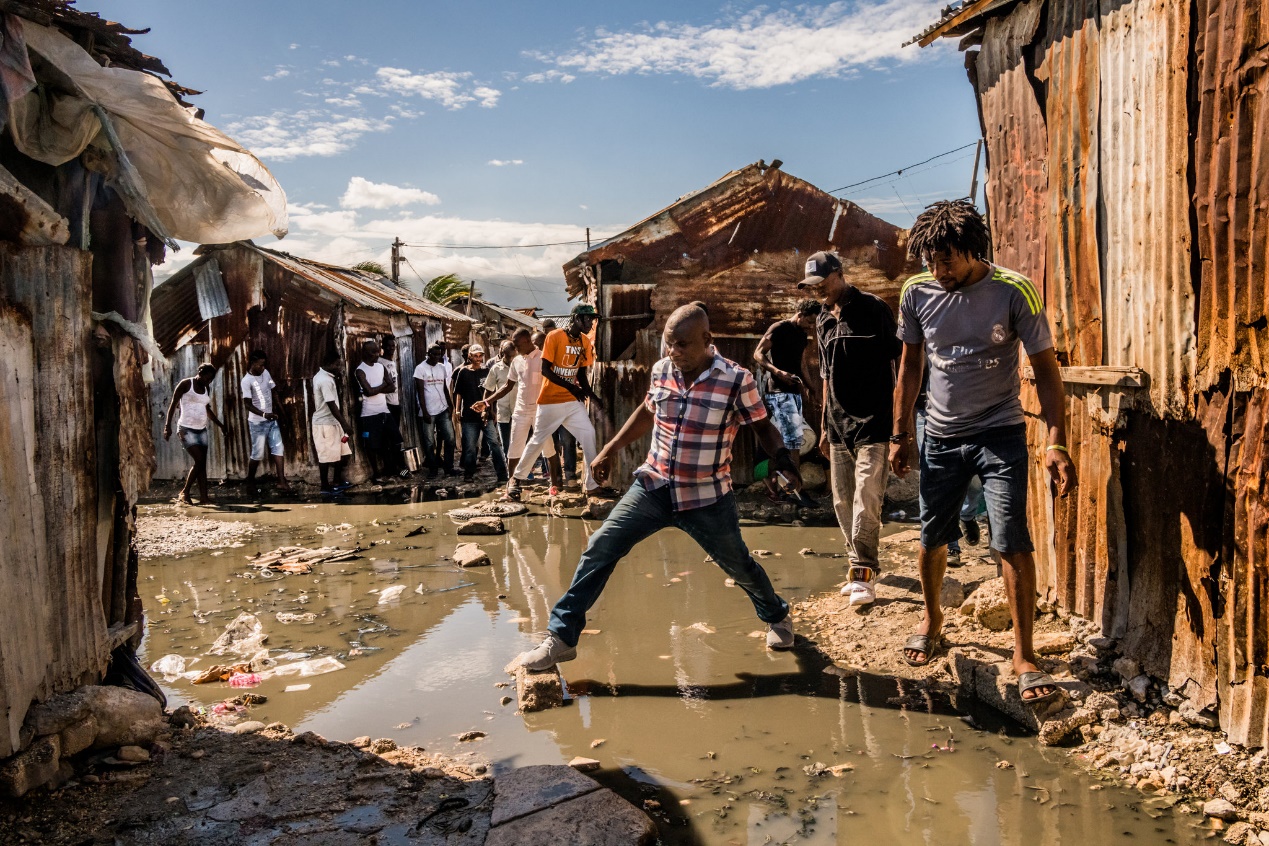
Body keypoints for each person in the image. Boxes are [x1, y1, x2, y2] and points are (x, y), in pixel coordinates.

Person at [518, 304, 801, 670]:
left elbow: (762, 426)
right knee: (599, 548)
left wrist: (781, 458)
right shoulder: (662, 369)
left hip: (706, 496)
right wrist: (608, 450)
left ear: (707, 340)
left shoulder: (736, 378)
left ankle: (777, 615)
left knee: (739, 565)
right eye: (670, 344)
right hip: (653, 486)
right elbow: (647, 412)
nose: (674, 352)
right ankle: (561, 637)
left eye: (682, 345)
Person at [890, 199, 1077, 704]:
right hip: (941, 435)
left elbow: (1046, 370)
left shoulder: (1013, 290)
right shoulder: (916, 291)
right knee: (932, 534)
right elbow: (910, 368)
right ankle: (932, 620)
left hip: (1000, 432)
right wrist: (901, 434)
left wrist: (1056, 440)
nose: (938, 270)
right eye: (930, 260)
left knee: (1011, 535)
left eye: (947, 259)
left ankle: (1024, 654)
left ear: (974, 250)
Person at [797, 251, 900, 607]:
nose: (818, 291)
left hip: (874, 421)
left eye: (823, 283)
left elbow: (898, 363)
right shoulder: (823, 317)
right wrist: (824, 425)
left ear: (840, 275)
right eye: (813, 286)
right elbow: (826, 375)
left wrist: (901, 425)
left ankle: (863, 572)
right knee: (841, 500)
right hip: (838, 426)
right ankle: (859, 562)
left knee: (866, 498)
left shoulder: (874, 308)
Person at [505, 303, 607, 501]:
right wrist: (571, 387)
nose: (590, 323)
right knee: (538, 440)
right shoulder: (555, 336)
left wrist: (593, 397)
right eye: (587, 319)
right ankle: (516, 479)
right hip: (550, 401)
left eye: (592, 320)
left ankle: (591, 485)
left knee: (588, 434)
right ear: (576, 319)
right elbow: (545, 370)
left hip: (571, 401)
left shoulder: (584, 342)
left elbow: (582, 375)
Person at [753, 299, 821, 501]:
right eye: (809, 321)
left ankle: (787, 488)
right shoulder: (780, 327)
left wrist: (811, 388)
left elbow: (801, 363)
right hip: (778, 392)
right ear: (800, 314)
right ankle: (794, 490)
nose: (810, 326)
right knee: (793, 443)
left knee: (792, 441)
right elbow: (758, 353)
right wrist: (777, 371)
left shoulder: (801, 334)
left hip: (794, 392)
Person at [485, 328, 563, 491]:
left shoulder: (544, 358)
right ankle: (512, 485)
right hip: (520, 411)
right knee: (514, 447)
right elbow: (507, 386)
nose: (515, 348)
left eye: (517, 344)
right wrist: (487, 401)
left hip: (540, 410)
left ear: (527, 341)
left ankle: (554, 483)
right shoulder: (517, 361)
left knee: (548, 448)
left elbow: (554, 383)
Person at [163, 363, 227, 504]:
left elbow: (207, 409)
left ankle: (204, 497)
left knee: (201, 464)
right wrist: (167, 426)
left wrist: (220, 425)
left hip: (201, 429)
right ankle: (185, 492)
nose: (207, 381)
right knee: (199, 460)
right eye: (206, 377)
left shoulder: (206, 388)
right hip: (186, 429)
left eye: (210, 379)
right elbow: (173, 405)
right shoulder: (186, 384)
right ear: (200, 372)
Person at [452, 344, 508, 482]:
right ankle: (469, 474)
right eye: (475, 356)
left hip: (486, 415)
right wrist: (457, 410)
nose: (478, 358)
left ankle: (502, 475)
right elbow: (458, 393)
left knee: (494, 443)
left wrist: (492, 411)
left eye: (480, 356)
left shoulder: (487, 371)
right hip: (469, 416)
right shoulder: (463, 372)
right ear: (469, 356)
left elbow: (492, 392)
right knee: (470, 446)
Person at [241, 350, 290, 491]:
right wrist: (264, 415)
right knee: (257, 454)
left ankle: (281, 482)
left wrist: (281, 412)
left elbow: (273, 391)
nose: (262, 368)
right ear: (252, 363)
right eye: (260, 365)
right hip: (257, 423)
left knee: (278, 449)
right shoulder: (246, 381)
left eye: (264, 365)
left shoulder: (266, 373)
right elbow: (247, 404)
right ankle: (250, 481)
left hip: (271, 420)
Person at [355, 338, 403, 482]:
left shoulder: (381, 367)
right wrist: (382, 386)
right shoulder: (360, 370)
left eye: (377, 351)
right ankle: (376, 473)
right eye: (373, 352)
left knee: (394, 439)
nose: (377, 355)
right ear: (365, 353)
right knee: (371, 446)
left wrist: (376, 389)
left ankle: (395, 469)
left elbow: (392, 387)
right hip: (369, 413)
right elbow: (369, 392)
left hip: (384, 410)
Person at [311, 351, 353, 492]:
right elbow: (331, 404)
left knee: (342, 453)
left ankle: (336, 481)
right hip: (325, 423)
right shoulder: (324, 380)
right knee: (326, 456)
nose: (339, 366)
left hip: (332, 421)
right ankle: (325, 486)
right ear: (329, 364)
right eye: (337, 363)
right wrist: (345, 424)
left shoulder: (326, 377)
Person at [413, 344, 457, 476]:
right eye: (434, 354)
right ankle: (433, 469)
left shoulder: (442, 367)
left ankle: (448, 468)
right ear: (428, 354)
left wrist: (450, 405)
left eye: (439, 355)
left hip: (443, 408)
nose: (437, 357)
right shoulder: (420, 369)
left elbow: (444, 387)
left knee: (450, 438)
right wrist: (424, 411)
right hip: (428, 411)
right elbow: (420, 392)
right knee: (429, 441)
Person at [482, 340, 518, 451]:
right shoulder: (496, 368)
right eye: (508, 356)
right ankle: (509, 468)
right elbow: (488, 390)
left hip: (520, 412)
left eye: (513, 356)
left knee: (520, 445)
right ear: (503, 353)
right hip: (503, 413)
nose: (511, 359)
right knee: (506, 446)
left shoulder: (521, 366)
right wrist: (486, 408)